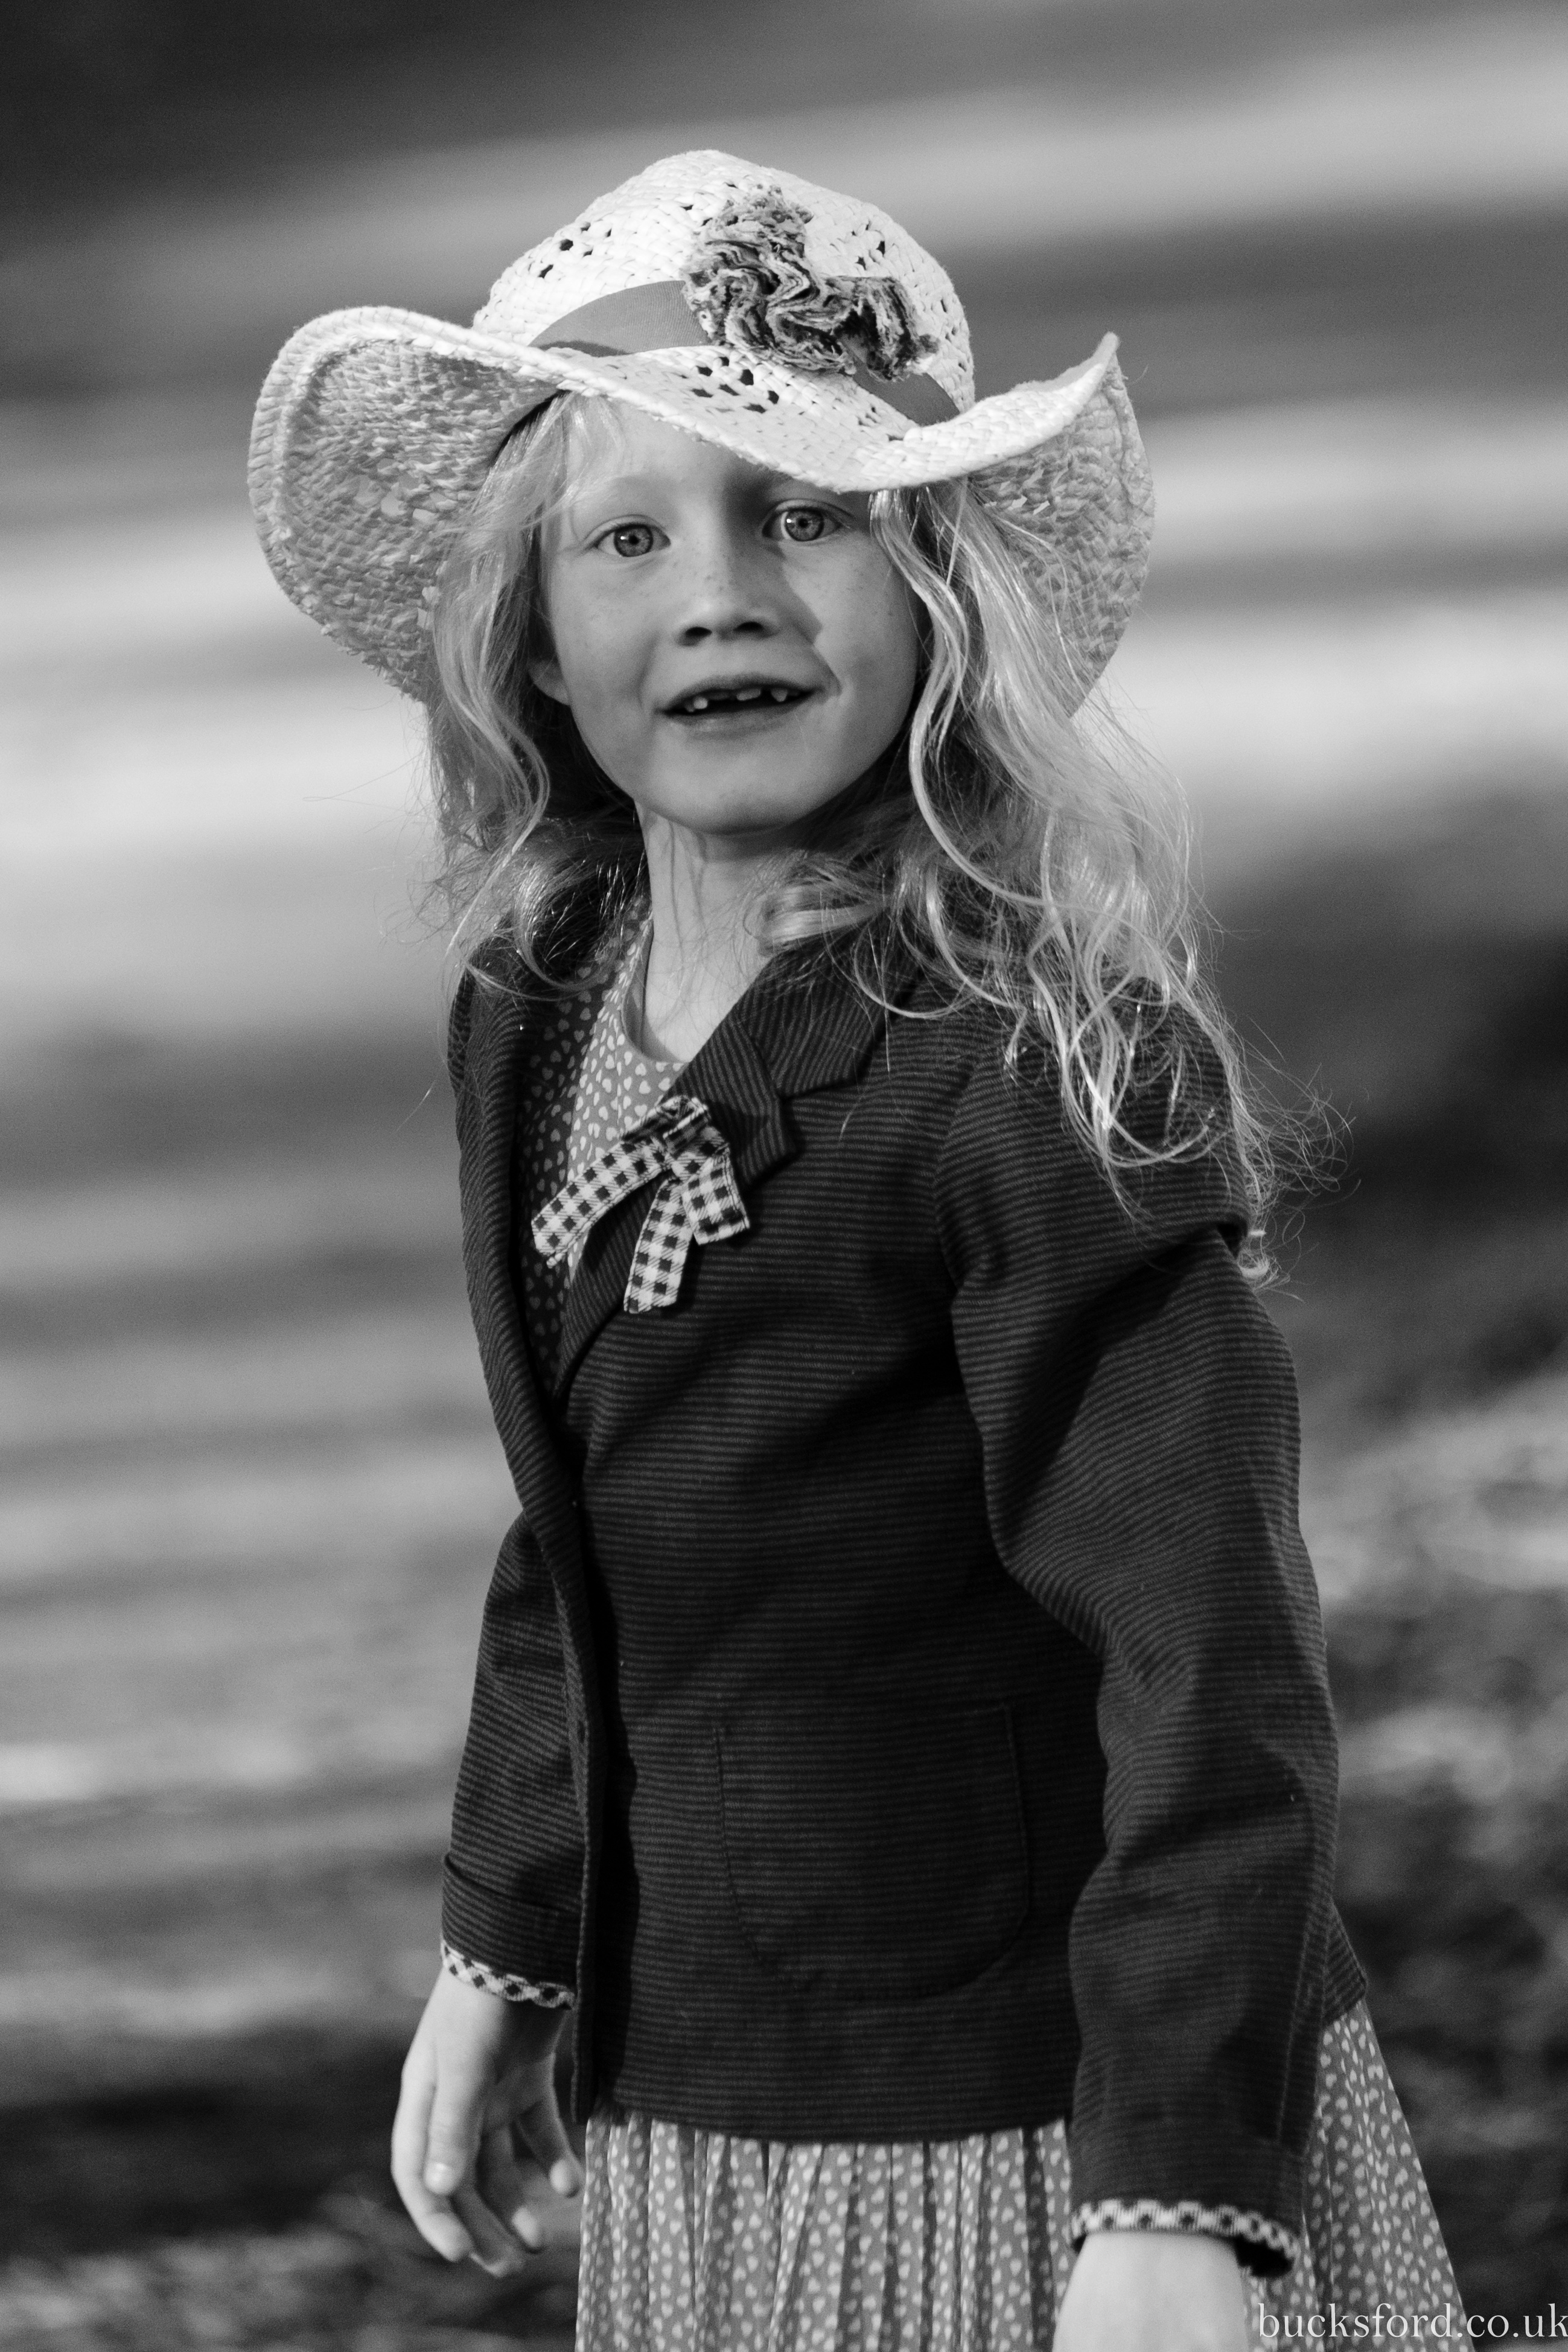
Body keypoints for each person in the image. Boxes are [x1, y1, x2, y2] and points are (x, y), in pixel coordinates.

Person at [250, 150, 1463, 2351]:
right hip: (712, 2094)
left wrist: (1180, 2181)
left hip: (1026, 2133)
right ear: (530, 642)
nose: (722, 596)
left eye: (806, 514)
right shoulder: (540, 1011)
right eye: (630, 538)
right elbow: (587, 1528)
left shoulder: (1028, 1068)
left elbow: (1212, 1659)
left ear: (936, 599)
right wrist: (511, 1932)